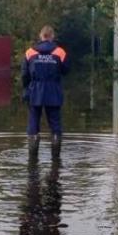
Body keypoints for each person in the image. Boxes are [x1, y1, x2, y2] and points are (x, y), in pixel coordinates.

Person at [22, 25, 70, 155]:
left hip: (35, 91)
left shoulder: (29, 52)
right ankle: (56, 159)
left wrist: (26, 90)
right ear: (52, 36)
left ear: (40, 36)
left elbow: (24, 75)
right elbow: (66, 71)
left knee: (33, 122)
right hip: (53, 91)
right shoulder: (60, 52)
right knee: (55, 124)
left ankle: (32, 159)